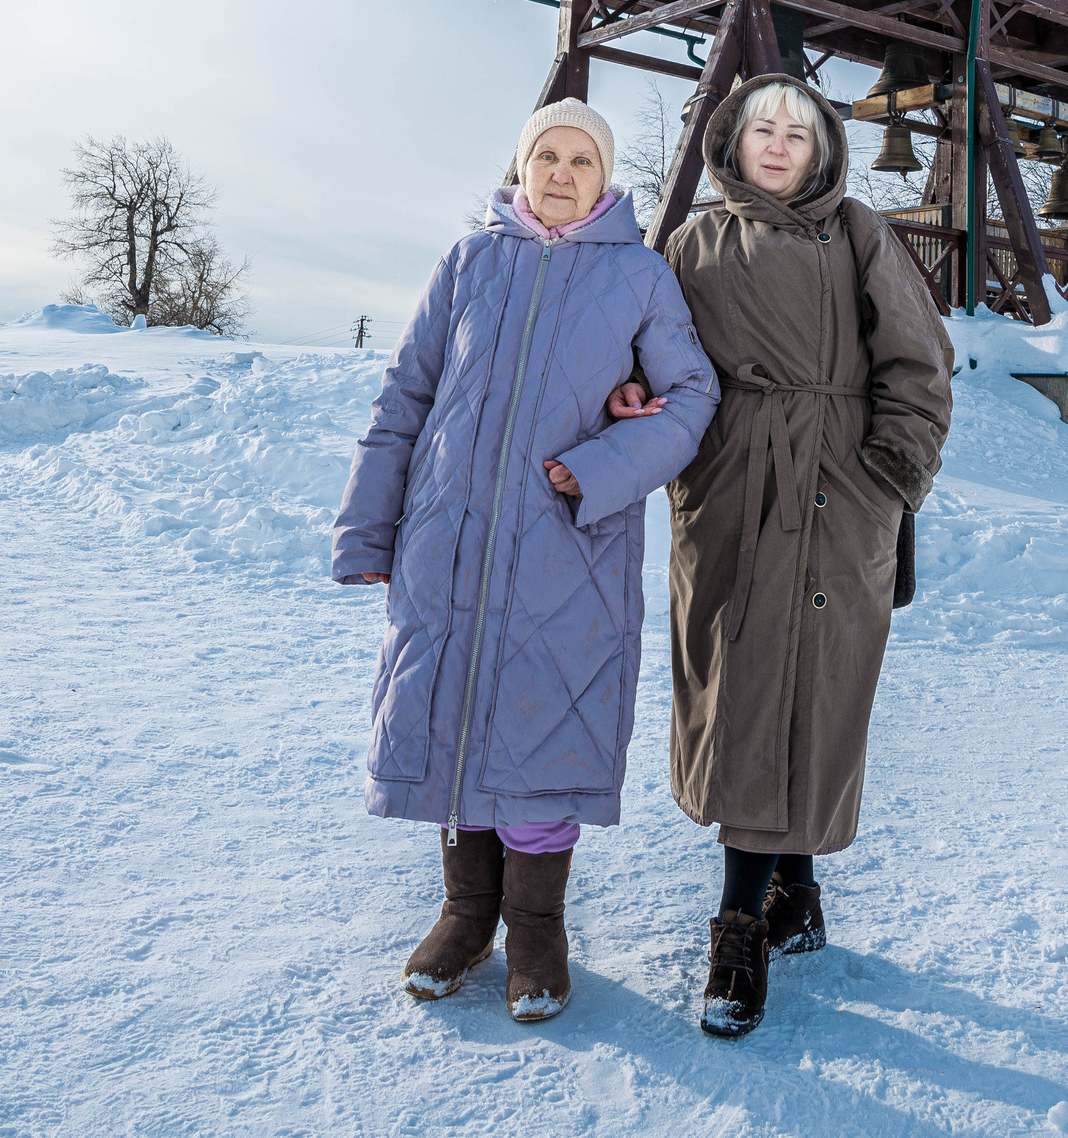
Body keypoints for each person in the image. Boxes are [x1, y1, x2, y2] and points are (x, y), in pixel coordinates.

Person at [332, 98, 718, 1023]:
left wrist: (595, 472)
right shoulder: (468, 261)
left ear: (606, 177)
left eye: (581, 158)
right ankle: (466, 914)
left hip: (564, 547)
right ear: (520, 166)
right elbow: (407, 396)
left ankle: (536, 926)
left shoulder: (639, 276)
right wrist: (371, 525)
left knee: (539, 734)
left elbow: (691, 397)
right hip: (449, 542)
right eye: (545, 154)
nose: (560, 172)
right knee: (458, 721)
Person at [646, 72, 954, 1037]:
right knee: (741, 688)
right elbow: (648, 354)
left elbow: (920, 361)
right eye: (759, 129)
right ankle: (793, 899)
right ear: (729, 142)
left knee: (809, 696)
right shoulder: (692, 243)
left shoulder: (862, 232)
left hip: (837, 494)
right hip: (732, 491)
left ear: (822, 147)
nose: (777, 144)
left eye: (797, 130)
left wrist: (886, 473)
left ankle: (742, 925)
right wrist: (644, 420)